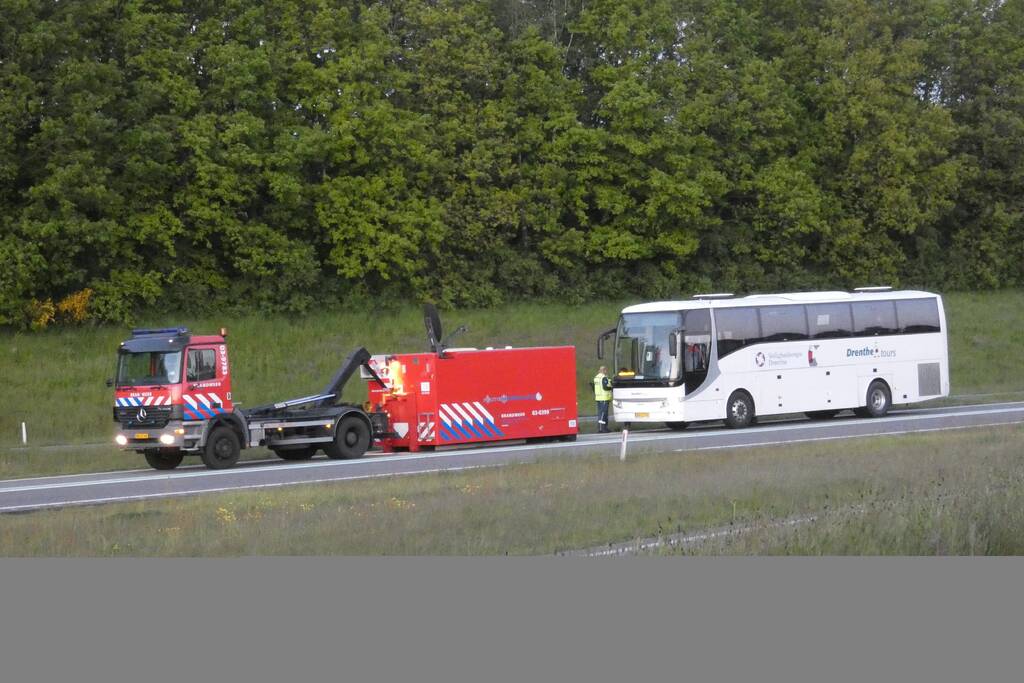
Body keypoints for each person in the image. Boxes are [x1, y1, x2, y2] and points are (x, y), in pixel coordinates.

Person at [593, 365, 612, 433]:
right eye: (605, 370)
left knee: (600, 413)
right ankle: (603, 428)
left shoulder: (596, 378)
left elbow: (593, 387)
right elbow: (605, 387)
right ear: (603, 370)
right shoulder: (603, 377)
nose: (606, 372)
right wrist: (611, 387)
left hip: (598, 398)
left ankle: (600, 428)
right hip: (604, 398)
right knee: (604, 414)